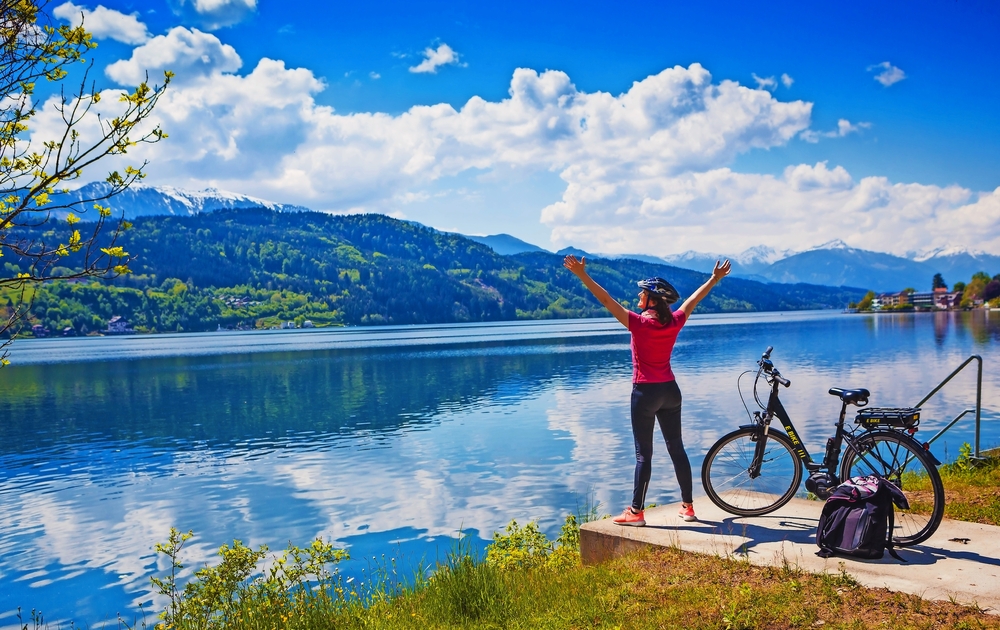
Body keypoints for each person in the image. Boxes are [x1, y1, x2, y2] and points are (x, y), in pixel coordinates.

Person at [563, 255, 731, 526]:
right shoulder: (674, 321)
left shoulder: (639, 324)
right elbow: (692, 301)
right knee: (677, 448)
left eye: (642, 292)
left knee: (644, 454)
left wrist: (582, 275)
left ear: (653, 299)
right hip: (670, 391)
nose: (638, 295)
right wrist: (714, 279)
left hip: (645, 393)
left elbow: (606, 301)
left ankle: (636, 512)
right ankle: (688, 507)